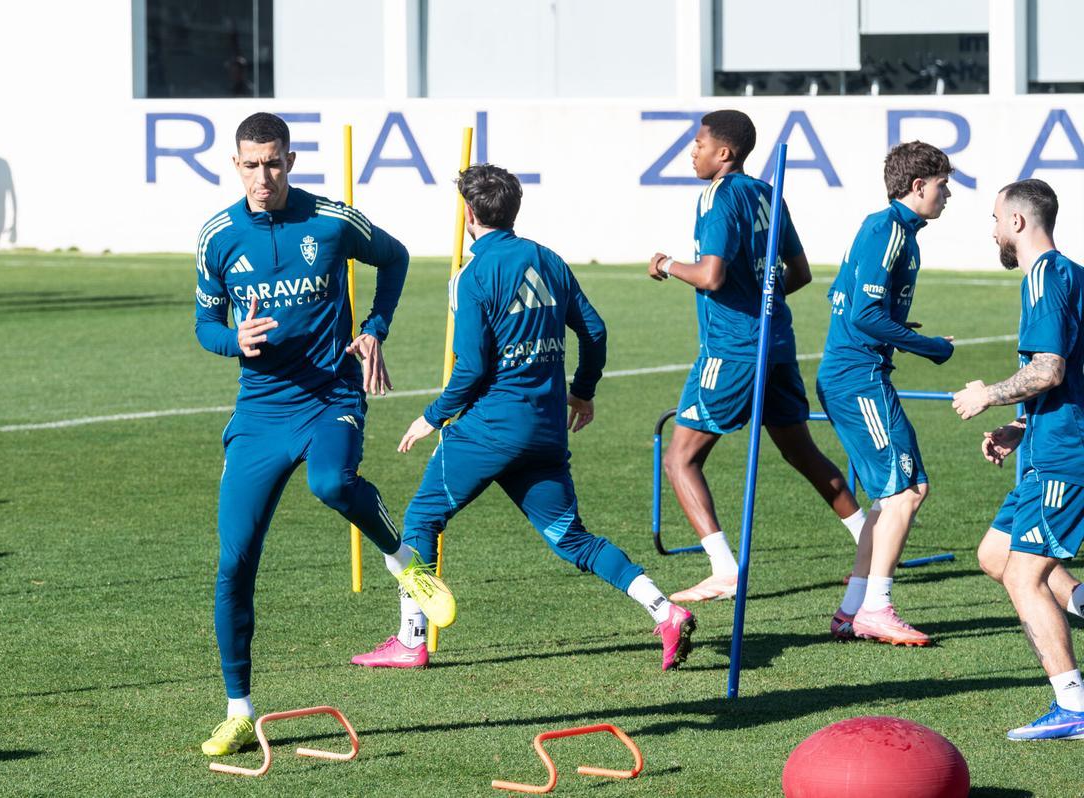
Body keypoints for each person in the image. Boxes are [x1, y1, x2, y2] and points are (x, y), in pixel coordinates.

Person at [351, 164, 696, 671]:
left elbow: (470, 369)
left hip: (488, 429)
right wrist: (582, 392)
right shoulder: (548, 259)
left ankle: (411, 639)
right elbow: (594, 331)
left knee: (421, 519)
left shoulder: (471, 277)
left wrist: (431, 417)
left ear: (468, 213)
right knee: (571, 538)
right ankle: (664, 609)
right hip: (544, 431)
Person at [193, 112, 454, 756]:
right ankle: (237, 708)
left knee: (331, 481)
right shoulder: (218, 237)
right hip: (258, 415)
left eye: (274, 162)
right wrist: (235, 341)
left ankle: (404, 562)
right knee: (233, 564)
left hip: (331, 396)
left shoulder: (333, 221)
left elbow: (396, 259)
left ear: (290, 160)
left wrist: (375, 327)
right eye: (251, 165)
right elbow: (205, 326)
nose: (264, 176)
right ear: (235, 165)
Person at [646, 109, 865, 607]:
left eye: (698, 144)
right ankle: (870, 542)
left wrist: (665, 264)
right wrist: (764, 300)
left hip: (732, 350)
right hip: (777, 346)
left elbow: (711, 276)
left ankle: (724, 569)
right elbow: (801, 272)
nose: (693, 151)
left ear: (724, 152)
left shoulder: (719, 197)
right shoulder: (769, 193)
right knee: (802, 452)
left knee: (680, 458)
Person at [952, 178, 1084, 740]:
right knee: (995, 555)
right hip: (1045, 442)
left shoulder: (1044, 277)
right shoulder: (1069, 274)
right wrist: (1021, 423)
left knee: (1024, 577)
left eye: (995, 219)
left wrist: (988, 395)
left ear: (1018, 223)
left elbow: (1050, 368)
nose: (993, 231)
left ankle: (1074, 706)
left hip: (1063, 455)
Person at [816, 141, 955, 646]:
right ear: (918, 186)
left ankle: (852, 610)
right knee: (906, 491)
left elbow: (851, 299)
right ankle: (876, 608)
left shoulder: (892, 229)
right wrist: (930, 347)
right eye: (942, 185)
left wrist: (898, 327)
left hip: (856, 372)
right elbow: (861, 315)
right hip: (859, 378)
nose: (948, 195)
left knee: (893, 494)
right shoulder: (889, 230)